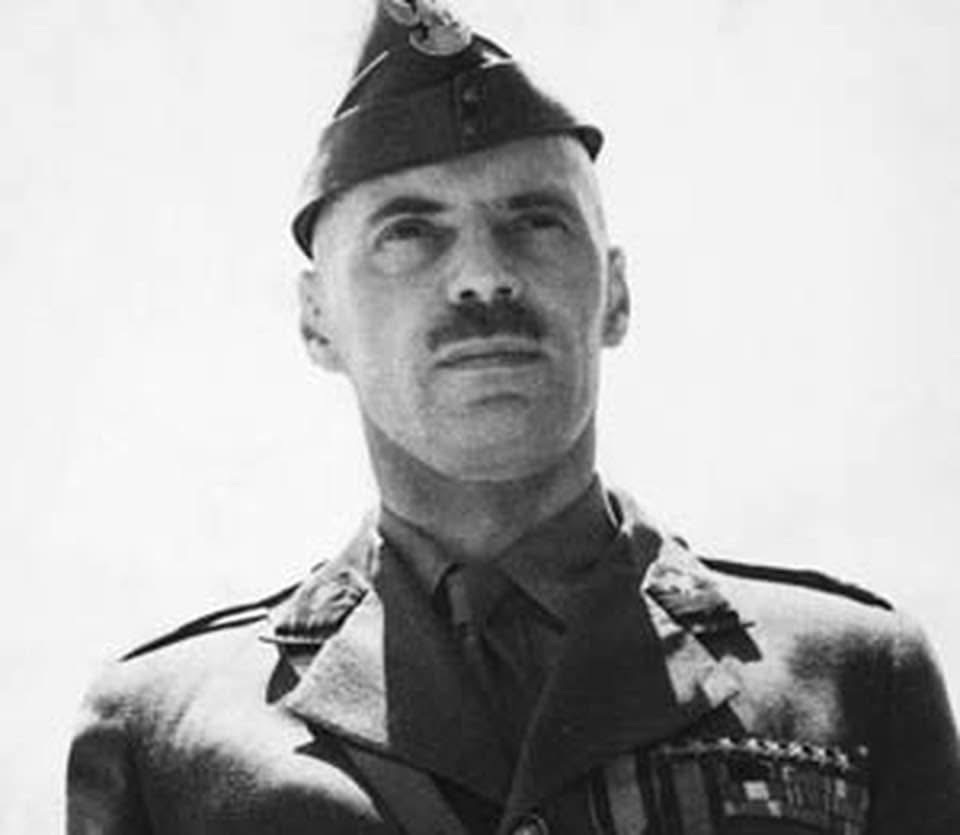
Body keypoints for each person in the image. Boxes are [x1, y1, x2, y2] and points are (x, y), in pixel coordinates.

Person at [66, 2, 960, 833]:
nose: (483, 275)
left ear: (616, 294)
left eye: (535, 221)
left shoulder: (851, 677)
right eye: (409, 231)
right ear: (316, 319)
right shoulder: (164, 731)